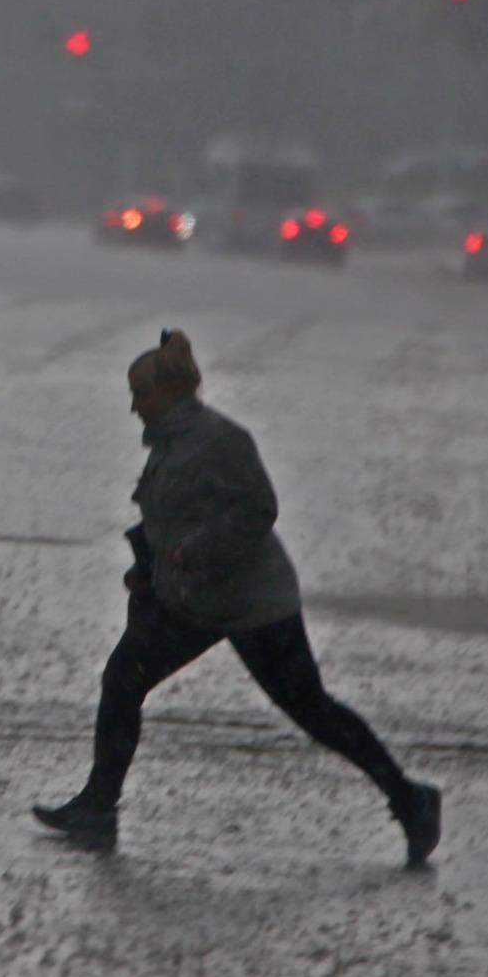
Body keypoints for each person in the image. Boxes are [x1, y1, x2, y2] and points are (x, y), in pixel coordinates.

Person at [33, 330, 439, 865]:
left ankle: (410, 799)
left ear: (173, 391)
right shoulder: (169, 441)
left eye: (142, 393)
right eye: (132, 394)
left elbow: (258, 510)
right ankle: (98, 808)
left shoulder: (221, 439)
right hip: (194, 602)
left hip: (254, 604)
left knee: (313, 711)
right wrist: (150, 567)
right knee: (122, 679)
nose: (133, 405)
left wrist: (192, 551)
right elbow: (174, 514)